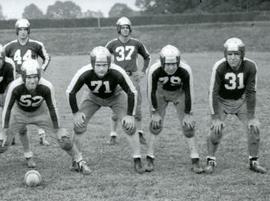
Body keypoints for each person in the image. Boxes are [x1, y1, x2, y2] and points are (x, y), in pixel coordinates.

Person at [0, 59, 78, 184]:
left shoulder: (47, 86)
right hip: (19, 113)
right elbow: (7, 109)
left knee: (64, 139)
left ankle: (79, 160)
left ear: (39, 75)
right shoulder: (15, 86)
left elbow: (52, 107)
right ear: (23, 77)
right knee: (1, 142)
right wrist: (4, 130)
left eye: (35, 77)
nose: (32, 80)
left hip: (40, 112)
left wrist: (58, 128)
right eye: (29, 77)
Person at [66, 46, 143, 175]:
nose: (101, 68)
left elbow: (132, 92)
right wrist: (76, 113)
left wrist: (130, 115)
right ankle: (76, 160)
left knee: (129, 126)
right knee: (79, 125)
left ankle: (137, 158)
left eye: (104, 65)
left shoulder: (117, 72)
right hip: (93, 97)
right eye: (98, 65)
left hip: (116, 96)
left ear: (109, 63)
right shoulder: (84, 72)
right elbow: (70, 92)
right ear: (92, 64)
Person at [205, 37, 266, 174]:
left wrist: (251, 116)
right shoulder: (219, 66)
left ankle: (253, 161)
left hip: (241, 101)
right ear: (225, 54)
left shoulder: (250, 66)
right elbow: (213, 92)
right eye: (230, 54)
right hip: (221, 101)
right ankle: (210, 160)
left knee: (254, 127)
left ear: (242, 55)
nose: (233, 58)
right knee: (216, 129)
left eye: (236, 54)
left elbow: (251, 91)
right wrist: (215, 117)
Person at [145, 45, 203, 173]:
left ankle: (195, 159)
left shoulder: (185, 69)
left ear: (178, 61)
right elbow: (150, 91)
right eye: (168, 64)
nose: (171, 67)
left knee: (188, 126)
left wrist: (189, 113)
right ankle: (149, 157)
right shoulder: (154, 69)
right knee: (155, 125)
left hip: (179, 93)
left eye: (173, 64)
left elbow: (189, 92)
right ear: (161, 62)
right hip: (160, 93)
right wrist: (154, 112)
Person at [4, 18, 50, 146]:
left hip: (32, 78)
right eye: (20, 30)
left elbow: (46, 57)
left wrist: (41, 69)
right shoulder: (9, 46)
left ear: (28, 31)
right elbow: (3, 61)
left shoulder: (36, 44)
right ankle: (11, 134)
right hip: (16, 78)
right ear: (16, 31)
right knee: (13, 106)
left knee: (38, 104)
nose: (23, 32)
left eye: (25, 29)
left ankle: (42, 135)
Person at [105, 16, 150, 145]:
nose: (125, 30)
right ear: (118, 29)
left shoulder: (136, 43)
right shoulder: (112, 44)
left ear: (130, 29)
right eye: (123, 28)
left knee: (137, 105)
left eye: (127, 27)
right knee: (115, 106)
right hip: (117, 78)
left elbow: (147, 57)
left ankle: (140, 133)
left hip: (132, 77)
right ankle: (113, 134)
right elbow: (102, 57)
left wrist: (143, 71)